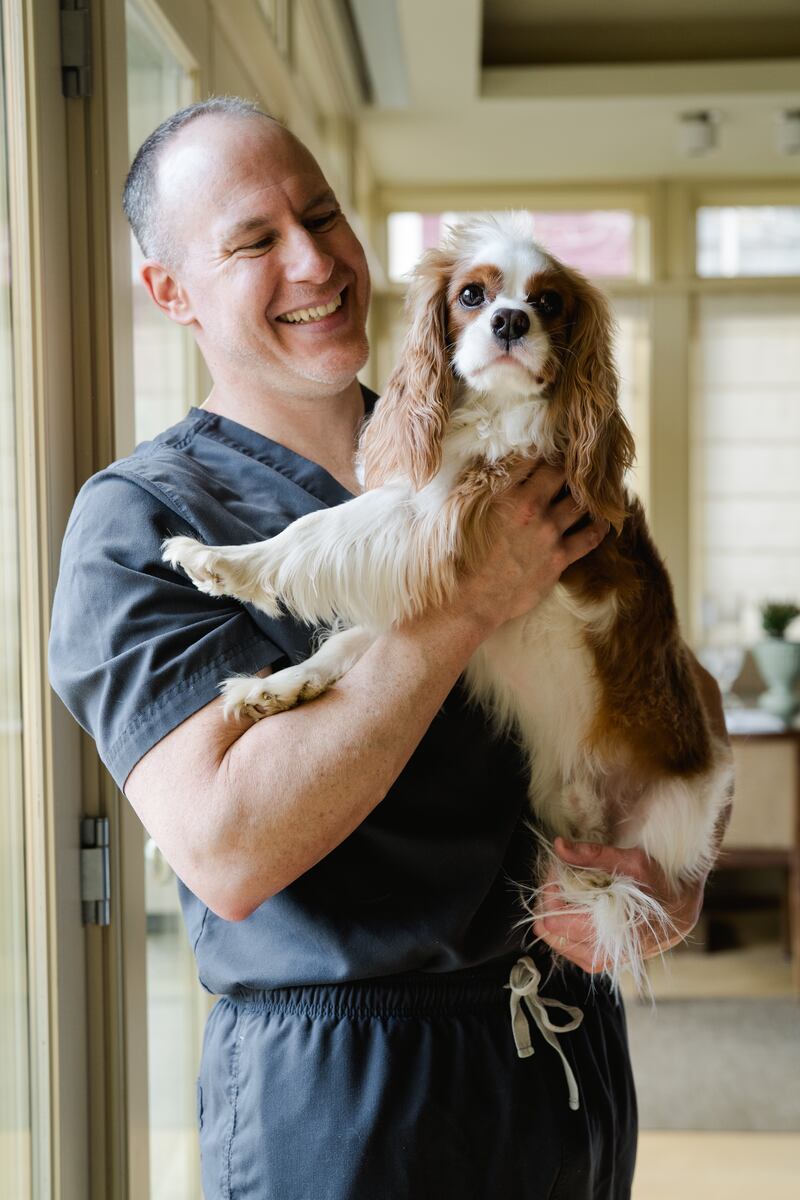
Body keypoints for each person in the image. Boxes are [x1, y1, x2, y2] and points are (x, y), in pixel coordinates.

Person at [49, 97, 727, 1199]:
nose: (314, 261)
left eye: (320, 216)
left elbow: (665, 679)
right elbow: (225, 848)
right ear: (171, 291)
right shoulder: (138, 523)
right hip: (346, 1098)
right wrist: (460, 605)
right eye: (254, 241)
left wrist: (672, 875)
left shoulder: (494, 430)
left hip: (558, 1060)